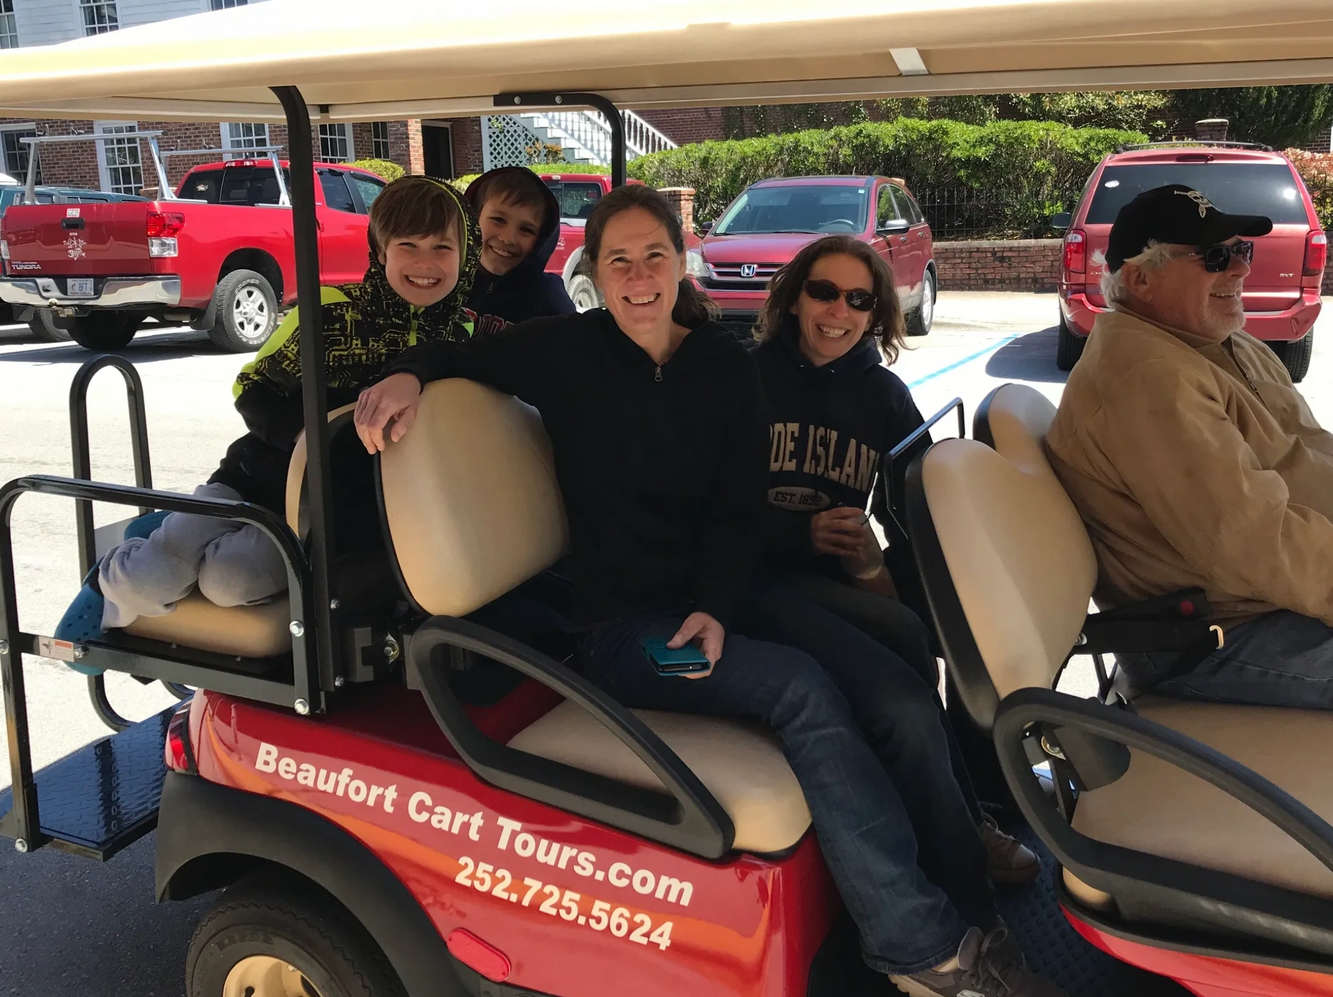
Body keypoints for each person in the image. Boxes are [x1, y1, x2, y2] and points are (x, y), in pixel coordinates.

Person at [355, 185, 1062, 997]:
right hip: (623, 634)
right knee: (801, 690)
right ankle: (917, 949)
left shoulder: (720, 363)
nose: (638, 276)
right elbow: (455, 356)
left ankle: (972, 915)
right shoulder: (561, 350)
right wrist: (409, 373)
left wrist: (718, 608)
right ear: (593, 271)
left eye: (653, 255)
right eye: (617, 260)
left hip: (725, 599)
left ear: (680, 262)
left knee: (899, 686)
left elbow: (736, 508)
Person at [55, 176, 479, 640]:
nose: (425, 263)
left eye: (442, 248)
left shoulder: (466, 337)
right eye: (408, 246)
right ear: (380, 252)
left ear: (465, 255)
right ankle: (111, 578)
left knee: (229, 581)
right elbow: (252, 386)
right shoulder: (329, 312)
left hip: (329, 511)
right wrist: (302, 436)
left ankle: (191, 567)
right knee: (147, 581)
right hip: (253, 477)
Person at [753, 235, 1039, 886]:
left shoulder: (881, 395)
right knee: (903, 674)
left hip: (834, 585)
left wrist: (881, 572)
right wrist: (800, 537)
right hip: (754, 580)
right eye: (823, 291)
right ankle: (961, 847)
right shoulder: (745, 379)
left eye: (859, 299)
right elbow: (703, 507)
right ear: (794, 298)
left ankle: (978, 798)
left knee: (951, 636)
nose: (839, 311)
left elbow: (915, 507)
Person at [1046, 183, 1333, 708]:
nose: (1241, 269)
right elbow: (1250, 540)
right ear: (1140, 279)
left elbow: (1307, 450)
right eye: (1216, 257)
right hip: (1216, 637)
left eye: (1241, 251)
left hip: (1275, 600)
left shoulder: (1223, 343)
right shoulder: (1149, 378)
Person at [463, 166, 574, 335]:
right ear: (473, 217)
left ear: (541, 240)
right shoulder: (442, 281)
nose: (508, 238)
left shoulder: (549, 300)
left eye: (526, 230)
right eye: (498, 220)